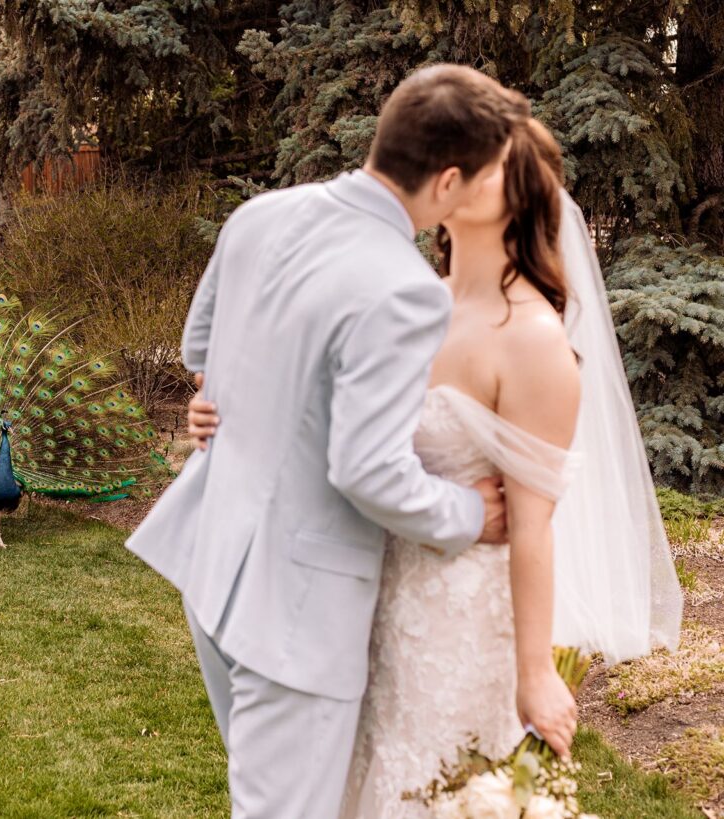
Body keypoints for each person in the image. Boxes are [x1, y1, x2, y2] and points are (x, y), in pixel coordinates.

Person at [187, 119, 683, 817]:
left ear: (523, 194)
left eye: (485, 164)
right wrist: (219, 413)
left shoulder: (533, 339)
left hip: (459, 624)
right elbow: (326, 410)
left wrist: (536, 672)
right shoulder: (412, 297)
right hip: (368, 597)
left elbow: (535, 528)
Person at [126, 64, 553, 818]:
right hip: (295, 611)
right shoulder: (403, 284)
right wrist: (466, 514)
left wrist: (223, 407)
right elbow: (366, 468)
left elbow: (201, 349)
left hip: (212, 568)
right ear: (449, 181)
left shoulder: (259, 214)